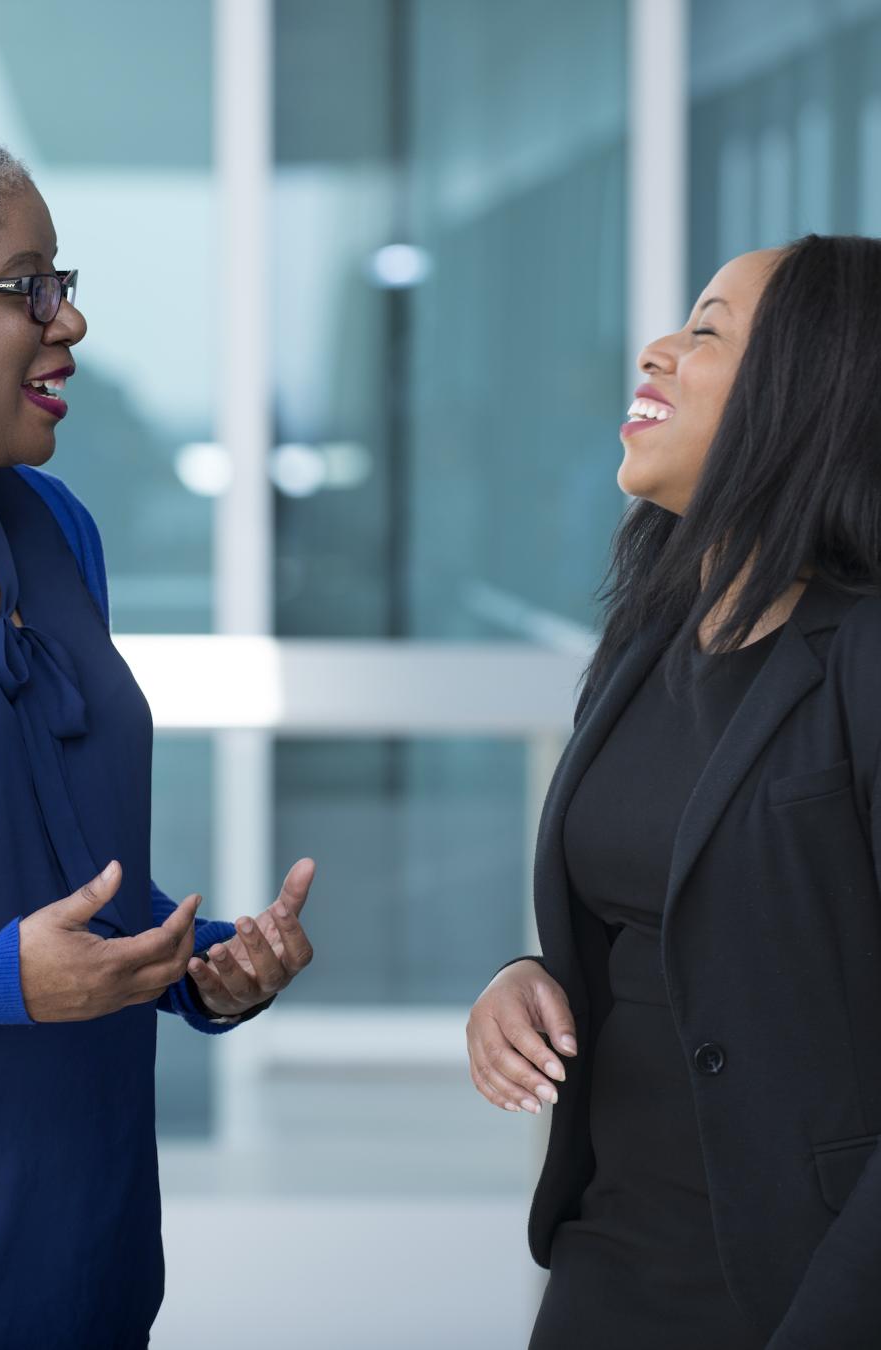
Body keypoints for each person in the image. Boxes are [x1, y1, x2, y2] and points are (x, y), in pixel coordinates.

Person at [0, 124, 315, 1349]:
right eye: (29, 286)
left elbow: (66, 880)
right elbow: (4, 949)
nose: (67, 322)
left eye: (61, 284)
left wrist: (196, 960)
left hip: (85, 1229)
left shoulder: (56, 527)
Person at [467, 233, 881, 1349]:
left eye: (706, 331)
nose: (655, 351)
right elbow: (675, 907)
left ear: (817, 386)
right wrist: (530, 976)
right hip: (615, 1255)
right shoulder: (652, 632)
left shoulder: (866, 652)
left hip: (809, 1279)